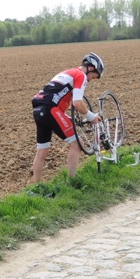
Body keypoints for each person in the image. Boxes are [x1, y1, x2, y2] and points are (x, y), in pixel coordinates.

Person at [31, 52, 105, 183]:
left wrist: (65, 117)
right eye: (95, 75)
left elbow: (55, 96)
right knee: (77, 145)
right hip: (51, 109)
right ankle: (72, 182)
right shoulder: (81, 76)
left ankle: (36, 187)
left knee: (42, 151)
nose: (93, 78)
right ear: (91, 68)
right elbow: (77, 103)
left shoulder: (70, 72)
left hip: (39, 109)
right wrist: (91, 117)